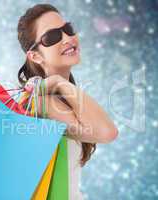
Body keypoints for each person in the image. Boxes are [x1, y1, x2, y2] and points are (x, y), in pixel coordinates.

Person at [17, 3, 118, 199]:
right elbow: (108, 132)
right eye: (52, 37)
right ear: (35, 56)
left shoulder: (63, 98)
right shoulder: (41, 104)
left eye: (68, 29)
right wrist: (57, 82)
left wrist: (60, 85)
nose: (67, 38)